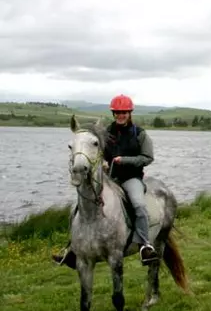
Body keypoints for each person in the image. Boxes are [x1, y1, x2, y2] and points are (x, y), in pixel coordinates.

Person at [53, 94, 158, 268]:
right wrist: (101, 163)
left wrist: (124, 160)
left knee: (138, 205)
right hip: (110, 178)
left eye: (124, 112)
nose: (120, 115)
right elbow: (97, 154)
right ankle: (73, 248)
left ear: (129, 113)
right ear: (113, 113)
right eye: (117, 112)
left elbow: (148, 157)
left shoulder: (140, 134)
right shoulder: (106, 133)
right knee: (77, 207)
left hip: (131, 178)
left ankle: (144, 245)